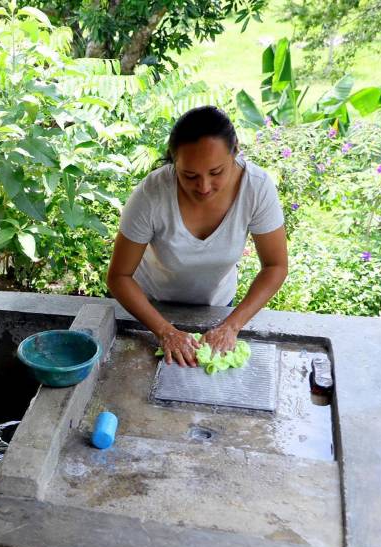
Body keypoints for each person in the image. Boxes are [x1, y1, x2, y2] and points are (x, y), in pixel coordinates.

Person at [106, 106, 288, 367]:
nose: (203, 187)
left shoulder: (256, 188)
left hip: (217, 304)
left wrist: (231, 326)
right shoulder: (152, 194)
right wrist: (165, 331)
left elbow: (275, 266)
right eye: (189, 176)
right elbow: (119, 276)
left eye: (216, 172)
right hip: (151, 305)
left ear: (235, 150)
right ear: (174, 162)